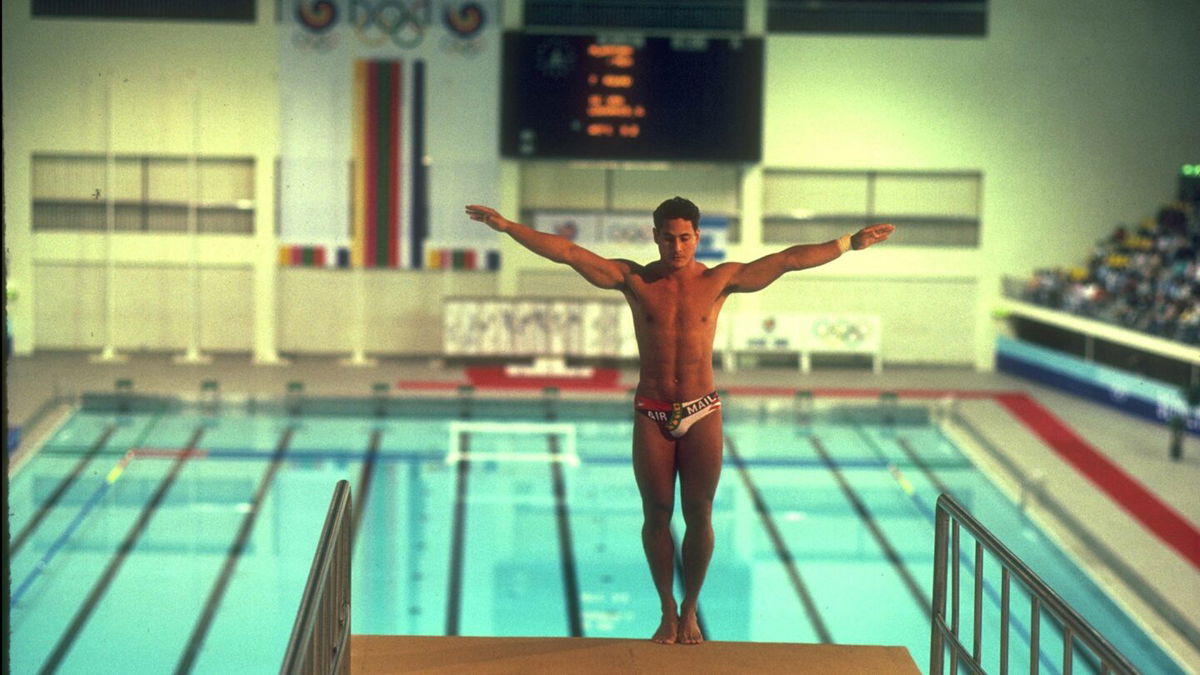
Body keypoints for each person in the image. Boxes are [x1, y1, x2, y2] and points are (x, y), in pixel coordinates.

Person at [465, 198, 894, 644]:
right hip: (651, 411)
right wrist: (509, 226)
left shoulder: (719, 280)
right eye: (668, 238)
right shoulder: (634, 279)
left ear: (697, 237)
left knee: (700, 514)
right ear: (655, 237)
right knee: (656, 514)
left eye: (685, 238)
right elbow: (569, 253)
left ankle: (690, 608)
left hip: (701, 409)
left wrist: (848, 243)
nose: (677, 246)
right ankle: (667, 609)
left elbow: (786, 259)